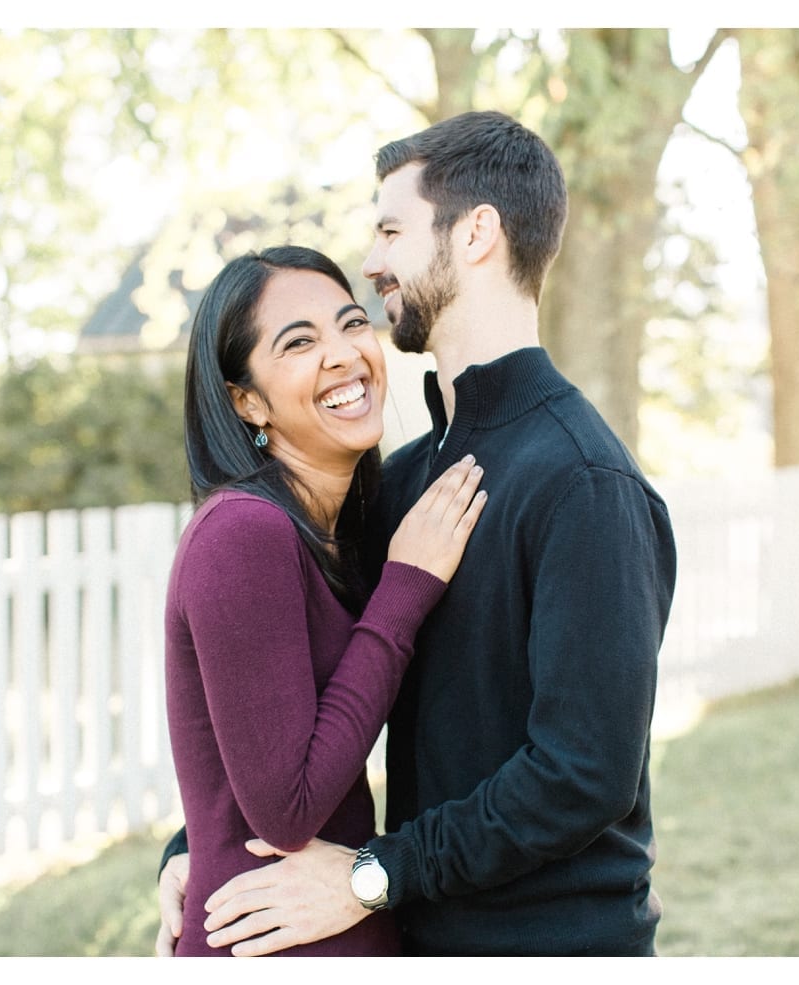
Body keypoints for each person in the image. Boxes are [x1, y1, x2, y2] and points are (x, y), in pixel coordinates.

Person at [158, 111, 677, 957]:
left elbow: (584, 774)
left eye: (392, 229)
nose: (371, 262)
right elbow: (307, 695)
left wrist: (375, 873)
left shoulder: (582, 482)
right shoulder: (402, 481)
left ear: (476, 235)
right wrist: (200, 844)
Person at [162, 244, 488, 956]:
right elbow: (286, 809)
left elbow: (243, 755)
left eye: (350, 324)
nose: (344, 354)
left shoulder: (331, 531)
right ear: (246, 400)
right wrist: (406, 587)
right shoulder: (242, 535)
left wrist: (187, 845)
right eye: (300, 342)